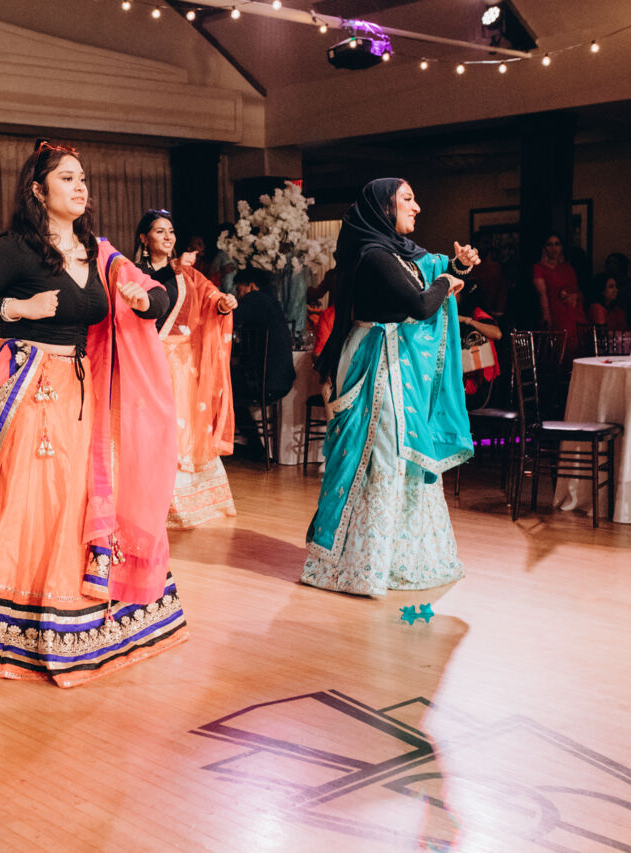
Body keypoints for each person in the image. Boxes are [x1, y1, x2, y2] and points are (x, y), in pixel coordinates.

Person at [0, 141, 185, 686]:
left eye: (82, 179)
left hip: (81, 391)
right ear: (38, 189)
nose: (80, 187)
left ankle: (74, 621)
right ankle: (17, 632)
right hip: (29, 387)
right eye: (67, 178)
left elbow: (157, 295)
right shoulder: (17, 248)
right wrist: (18, 308)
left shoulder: (98, 252)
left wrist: (144, 301)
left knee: (73, 505)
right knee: (36, 504)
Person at [302, 178, 476, 597]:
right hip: (375, 363)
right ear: (384, 208)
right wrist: (447, 281)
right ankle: (361, 564)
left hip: (397, 363)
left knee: (401, 458)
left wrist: (456, 269)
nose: (417, 207)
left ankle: (398, 558)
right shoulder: (373, 255)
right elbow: (421, 303)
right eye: (407, 199)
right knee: (379, 456)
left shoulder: (400, 252)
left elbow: (427, 278)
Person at [134, 209, 238, 529]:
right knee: (149, 429)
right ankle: (147, 501)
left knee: (182, 429)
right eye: (160, 231)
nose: (168, 237)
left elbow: (209, 296)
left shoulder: (188, 274)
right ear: (144, 239)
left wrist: (223, 303)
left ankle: (183, 504)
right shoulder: (135, 273)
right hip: (146, 361)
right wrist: (172, 270)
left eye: (171, 231)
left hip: (180, 365)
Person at [232, 267, 296, 402]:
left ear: (252, 286)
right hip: (281, 379)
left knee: (219, 382)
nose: (237, 296)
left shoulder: (255, 298)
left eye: (238, 290)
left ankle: (241, 418)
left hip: (266, 381)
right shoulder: (271, 300)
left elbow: (231, 319)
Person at [532, 232, 586, 344]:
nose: (554, 248)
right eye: (549, 244)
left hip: (573, 311)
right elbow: (542, 294)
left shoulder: (567, 268)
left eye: (557, 244)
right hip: (556, 312)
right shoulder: (539, 268)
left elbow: (577, 289)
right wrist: (546, 317)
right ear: (544, 248)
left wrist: (574, 296)